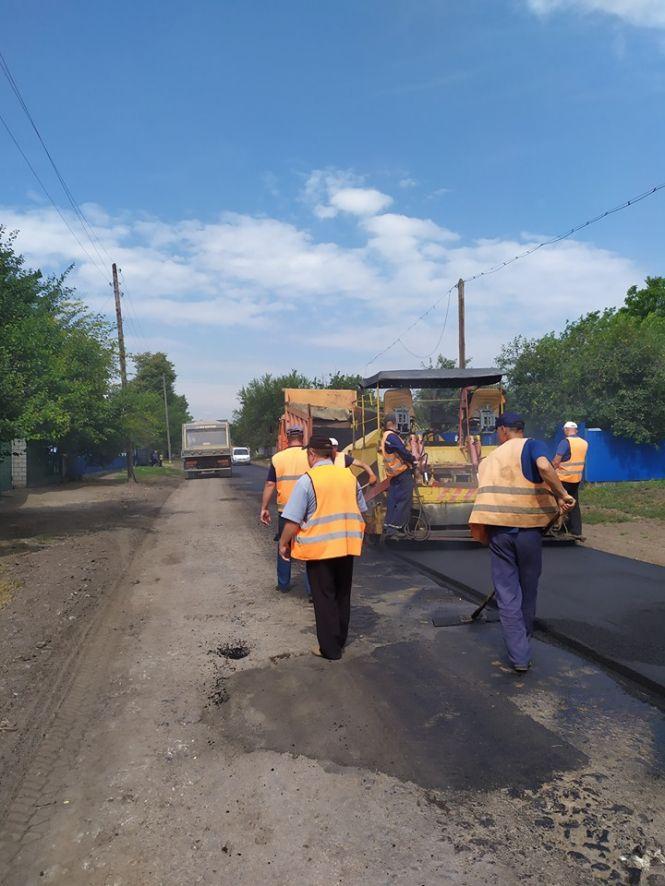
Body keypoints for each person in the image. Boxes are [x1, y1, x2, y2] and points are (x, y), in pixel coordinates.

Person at [469, 412, 575, 673]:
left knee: (507, 593)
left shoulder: (489, 459)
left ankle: (519, 656)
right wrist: (562, 495)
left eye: (497, 431)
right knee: (528, 589)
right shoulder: (533, 445)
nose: (497, 435)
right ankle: (524, 642)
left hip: (498, 533)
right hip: (529, 532)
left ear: (504, 430)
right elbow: (543, 466)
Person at [278, 436, 367, 660]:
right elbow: (361, 509)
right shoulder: (349, 477)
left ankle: (330, 649)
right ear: (331, 454)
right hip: (347, 546)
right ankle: (339, 639)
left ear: (312, 454)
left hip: (320, 550)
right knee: (342, 595)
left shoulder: (308, 480)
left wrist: (283, 543)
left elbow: (292, 521)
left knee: (324, 597)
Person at [259, 427, 312, 594]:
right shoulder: (311, 456)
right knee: (311, 548)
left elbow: (270, 484)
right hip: (308, 510)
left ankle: (283, 584)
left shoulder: (277, 458)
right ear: (303, 437)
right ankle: (313, 589)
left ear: (287, 439)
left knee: (285, 545)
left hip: (286, 510)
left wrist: (264, 508)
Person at [379, 414, 416, 537]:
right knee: (404, 499)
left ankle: (388, 525)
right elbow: (402, 451)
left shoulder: (386, 436)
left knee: (393, 499)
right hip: (401, 472)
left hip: (394, 474)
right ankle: (396, 527)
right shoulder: (391, 436)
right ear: (393, 423)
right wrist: (412, 459)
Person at [552, 421, 588, 539]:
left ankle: (559, 529)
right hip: (576, 479)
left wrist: (549, 470)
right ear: (576, 430)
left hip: (562, 478)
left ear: (566, 430)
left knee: (558, 502)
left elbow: (557, 461)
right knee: (573, 504)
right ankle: (576, 530)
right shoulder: (584, 443)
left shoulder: (565, 442)